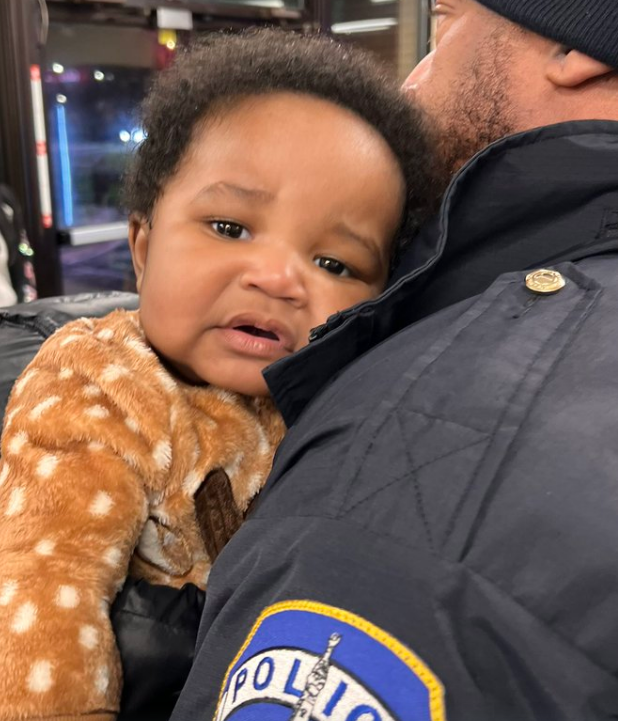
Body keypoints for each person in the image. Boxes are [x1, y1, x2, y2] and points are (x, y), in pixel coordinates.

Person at [169, 2, 618, 721]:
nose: (410, 80)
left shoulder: (413, 475)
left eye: (444, 21)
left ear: (575, 49)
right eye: (229, 228)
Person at [0, 29, 434, 721]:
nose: (279, 278)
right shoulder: (99, 386)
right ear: (142, 246)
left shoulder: (340, 399)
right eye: (230, 227)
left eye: (334, 264)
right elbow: (47, 593)